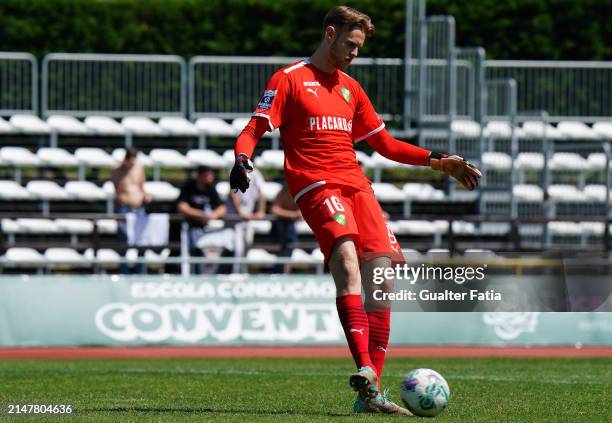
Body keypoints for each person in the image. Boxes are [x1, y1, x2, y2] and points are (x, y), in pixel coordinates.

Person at [230, 5, 481, 415]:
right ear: (330, 34)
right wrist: (242, 159)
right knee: (346, 261)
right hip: (315, 184)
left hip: (357, 187)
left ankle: (372, 396)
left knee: (381, 281)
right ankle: (364, 367)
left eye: (360, 47)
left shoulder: (351, 88)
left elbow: (387, 145)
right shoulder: (290, 79)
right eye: (350, 44)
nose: (354, 53)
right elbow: (254, 128)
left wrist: (438, 160)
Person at [177, 165, 227, 273]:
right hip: (188, 228)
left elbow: (222, 208)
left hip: (206, 230)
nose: (209, 179)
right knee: (190, 254)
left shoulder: (210, 188)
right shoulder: (189, 186)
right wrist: (200, 214)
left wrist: (212, 215)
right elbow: (182, 207)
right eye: (206, 176)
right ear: (199, 176)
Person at [111, 147, 151, 273]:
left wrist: (145, 196)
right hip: (124, 207)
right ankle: (124, 271)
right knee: (124, 241)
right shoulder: (117, 169)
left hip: (139, 207)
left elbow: (141, 186)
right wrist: (124, 169)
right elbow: (118, 189)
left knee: (141, 241)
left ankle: (140, 271)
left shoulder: (139, 168)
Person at [226, 168, 266, 272]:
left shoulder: (256, 174)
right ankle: (235, 273)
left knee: (247, 246)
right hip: (234, 218)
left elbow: (262, 193)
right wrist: (240, 212)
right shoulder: (234, 171)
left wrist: (261, 211)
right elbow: (232, 192)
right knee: (237, 248)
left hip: (248, 218)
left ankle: (243, 272)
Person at [270, 184, 302, 272]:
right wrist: (293, 215)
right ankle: (282, 270)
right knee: (289, 240)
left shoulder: (300, 190)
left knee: (290, 242)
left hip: (289, 229)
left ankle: (284, 270)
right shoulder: (284, 191)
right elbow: (275, 210)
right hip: (282, 228)